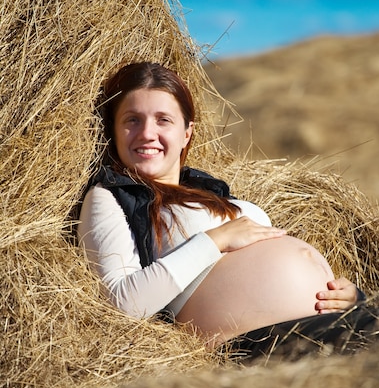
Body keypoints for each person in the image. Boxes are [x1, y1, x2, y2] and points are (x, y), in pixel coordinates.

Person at [78, 61, 364, 350]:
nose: (147, 133)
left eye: (163, 120)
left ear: (186, 133)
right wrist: (215, 241)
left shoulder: (210, 189)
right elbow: (121, 304)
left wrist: (351, 298)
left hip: (323, 324)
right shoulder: (111, 196)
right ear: (113, 131)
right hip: (261, 342)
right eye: (132, 120)